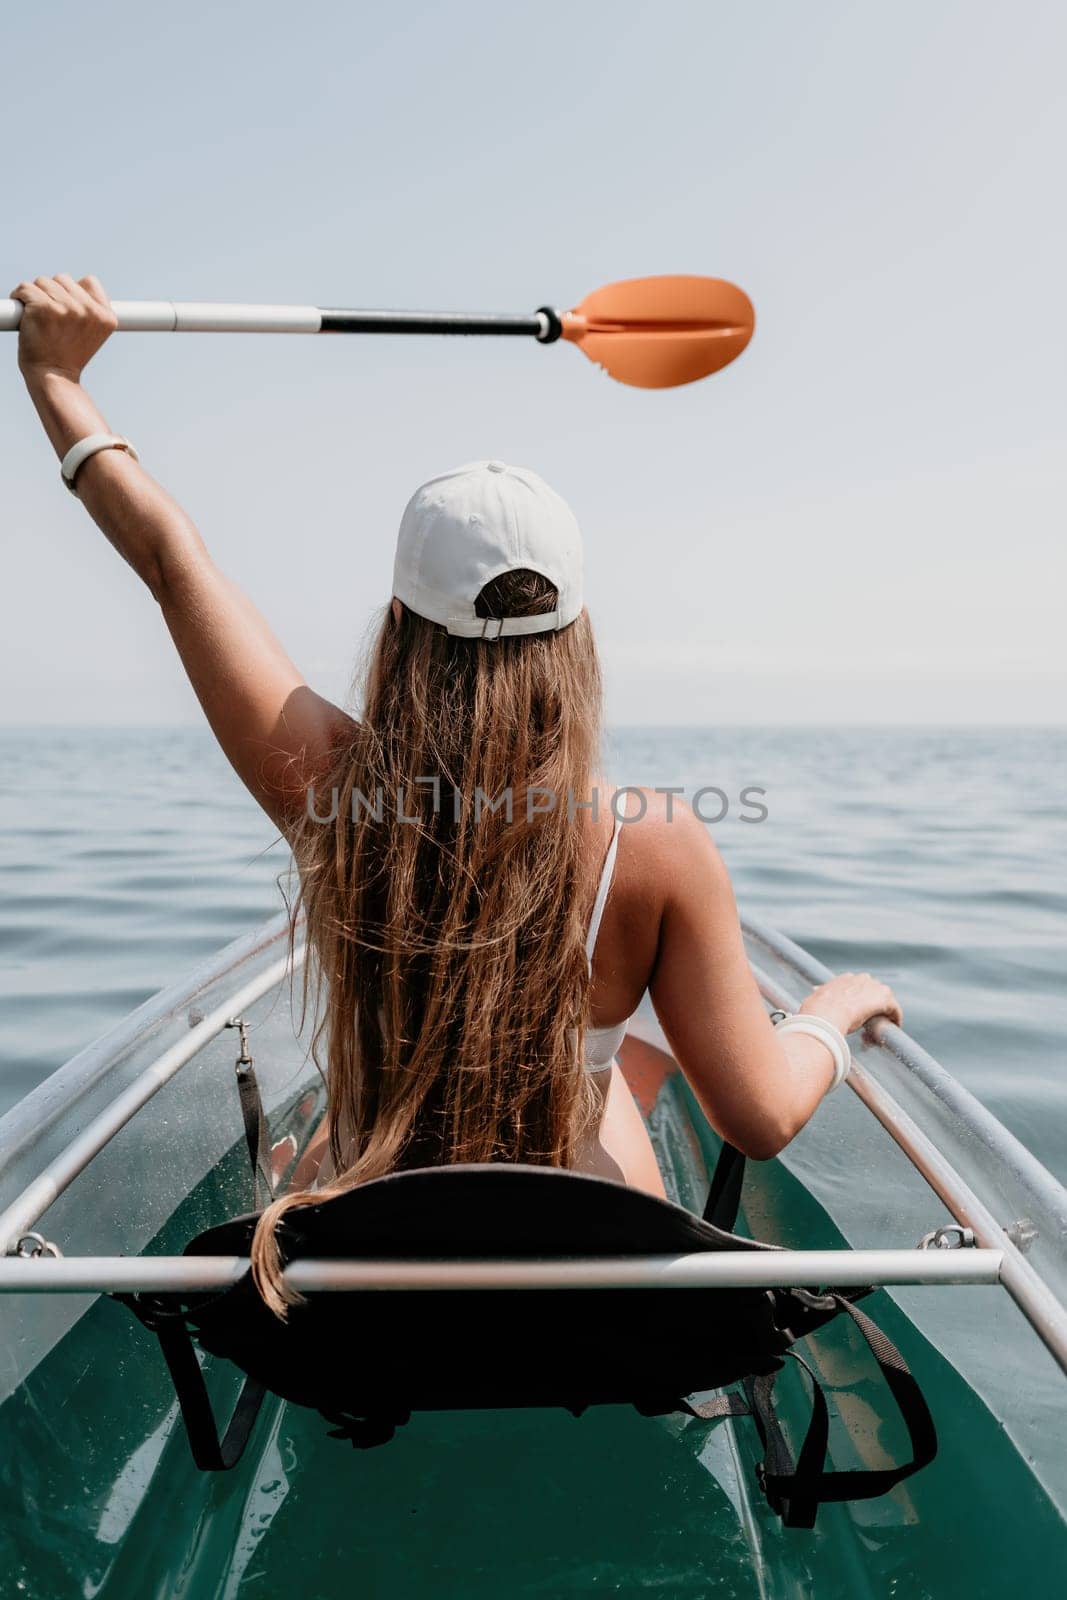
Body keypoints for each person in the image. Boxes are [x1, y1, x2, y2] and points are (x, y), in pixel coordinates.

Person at [12, 273, 902, 1314]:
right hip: (583, 1301)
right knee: (627, 1072)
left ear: (396, 622)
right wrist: (828, 1019)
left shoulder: (328, 790)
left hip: (369, 1290)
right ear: (575, 634)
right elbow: (755, 1115)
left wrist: (52, 373)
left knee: (324, 1144)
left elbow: (172, 562)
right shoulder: (657, 846)